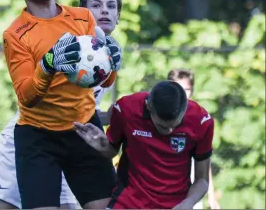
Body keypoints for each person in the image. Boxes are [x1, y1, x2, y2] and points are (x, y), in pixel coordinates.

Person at [0, 0, 122, 209]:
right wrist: (48, 63)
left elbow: (101, 79)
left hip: (84, 129)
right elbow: (26, 97)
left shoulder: (82, 18)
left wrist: (111, 64)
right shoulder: (15, 34)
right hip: (38, 137)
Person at [74, 80, 214, 209]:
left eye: (174, 126)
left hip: (175, 205)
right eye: (162, 126)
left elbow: (202, 179)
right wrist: (103, 146)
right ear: (148, 107)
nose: (169, 131)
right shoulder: (126, 108)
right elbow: (112, 151)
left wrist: (189, 202)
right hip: (128, 202)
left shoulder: (201, 121)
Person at [167, 68, 221, 209]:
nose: (183, 94)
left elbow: (203, 163)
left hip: (189, 190)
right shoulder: (152, 113)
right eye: (178, 88)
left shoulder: (201, 120)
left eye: (187, 89)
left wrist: (212, 195)